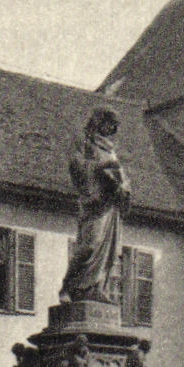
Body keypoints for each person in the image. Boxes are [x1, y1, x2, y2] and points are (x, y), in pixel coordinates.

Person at [60, 106, 130, 303]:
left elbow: (121, 175)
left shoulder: (111, 150)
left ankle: (97, 288)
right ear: (99, 122)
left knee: (109, 250)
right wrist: (100, 168)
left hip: (110, 205)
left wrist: (123, 187)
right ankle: (69, 287)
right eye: (108, 124)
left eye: (113, 126)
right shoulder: (85, 142)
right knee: (90, 245)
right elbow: (76, 166)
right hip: (94, 203)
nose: (110, 129)